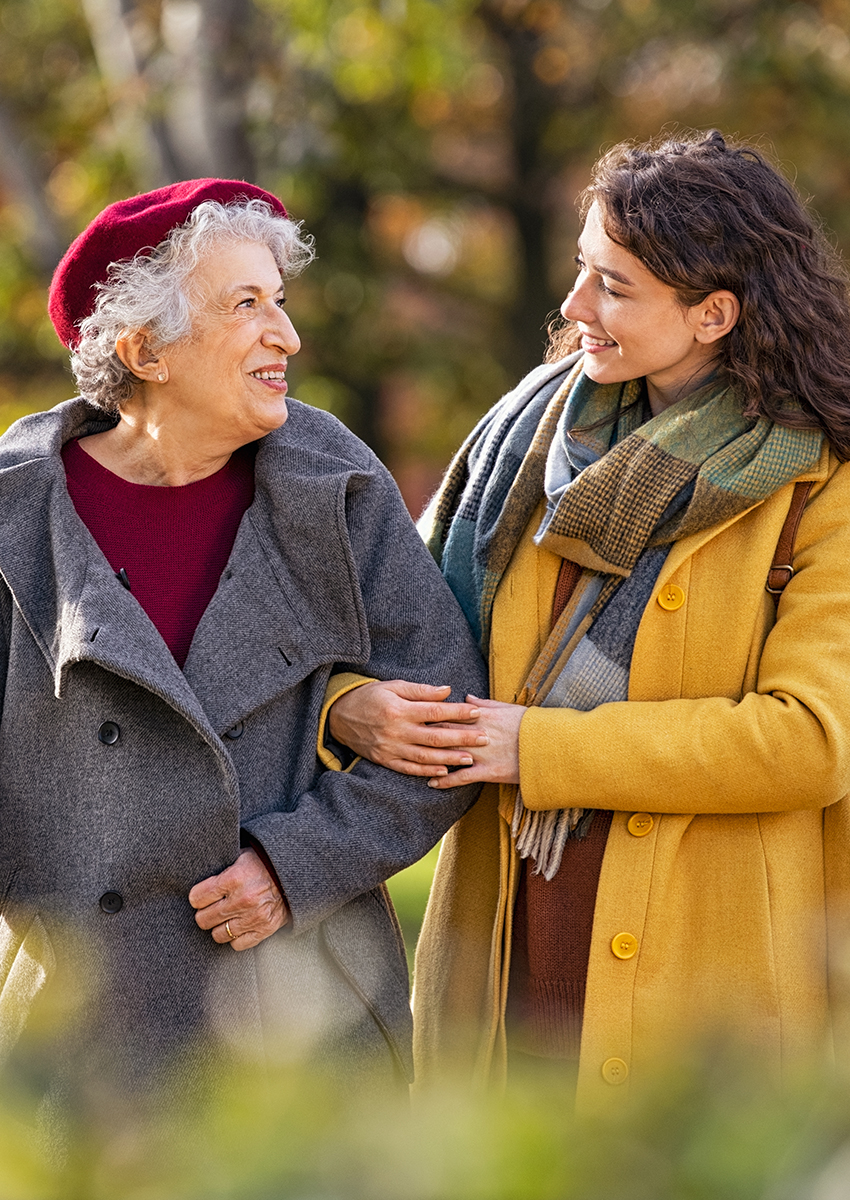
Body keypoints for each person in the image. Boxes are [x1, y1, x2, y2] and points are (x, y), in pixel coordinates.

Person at [326, 130, 850, 1113]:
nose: (572, 310)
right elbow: (387, 626)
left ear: (712, 314)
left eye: (613, 286)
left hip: (709, 992)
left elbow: (810, 740)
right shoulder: (524, 447)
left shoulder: (822, 488)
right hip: (508, 948)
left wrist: (542, 749)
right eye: (580, 271)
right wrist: (352, 706)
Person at [0, 178, 486, 1131]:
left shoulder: (333, 482)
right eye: (246, 305)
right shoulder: (18, 516)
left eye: (281, 300)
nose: (287, 337)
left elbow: (446, 722)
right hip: (86, 1033)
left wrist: (294, 862)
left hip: (307, 1016)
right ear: (145, 350)